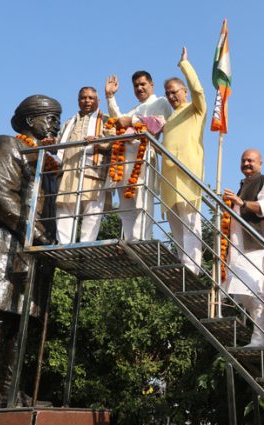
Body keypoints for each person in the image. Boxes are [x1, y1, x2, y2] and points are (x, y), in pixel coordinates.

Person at [0, 95, 61, 408]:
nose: (55, 124)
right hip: (4, 243)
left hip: (31, 250)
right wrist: (35, 230)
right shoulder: (8, 145)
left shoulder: (50, 162)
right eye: (51, 117)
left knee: (19, 323)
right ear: (30, 121)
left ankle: (8, 390)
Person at [105, 69, 172, 240]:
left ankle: (141, 239)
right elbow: (120, 121)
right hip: (124, 157)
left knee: (141, 201)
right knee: (125, 204)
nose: (139, 88)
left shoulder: (161, 102)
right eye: (136, 86)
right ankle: (129, 239)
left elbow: (158, 124)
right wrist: (110, 97)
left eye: (143, 84)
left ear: (151, 84)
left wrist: (133, 121)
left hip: (143, 156)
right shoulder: (135, 108)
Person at [222, 149, 264, 350]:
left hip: (256, 246)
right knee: (244, 294)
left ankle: (260, 340)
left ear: (260, 163)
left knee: (257, 293)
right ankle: (263, 338)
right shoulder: (242, 186)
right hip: (238, 249)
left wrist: (242, 203)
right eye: (244, 160)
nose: (247, 163)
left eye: (251, 160)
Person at [160, 47, 207, 275]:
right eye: (168, 93)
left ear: (184, 91)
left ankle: (193, 268)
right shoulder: (168, 120)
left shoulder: (195, 110)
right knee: (175, 225)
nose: (171, 96)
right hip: (169, 177)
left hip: (188, 174)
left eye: (175, 91)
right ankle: (183, 264)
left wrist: (185, 65)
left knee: (191, 223)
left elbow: (199, 90)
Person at [55, 87, 110, 243]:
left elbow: (114, 142)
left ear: (98, 101)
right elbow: (58, 146)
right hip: (68, 171)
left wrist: (99, 142)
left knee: (92, 210)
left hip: (94, 171)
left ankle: (87, 244)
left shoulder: (105, 120)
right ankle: (64, 244)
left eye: (91, 98)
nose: (87, 101)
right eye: (83, 98)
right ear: (78, 100)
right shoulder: (69, 123)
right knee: (65, 207)